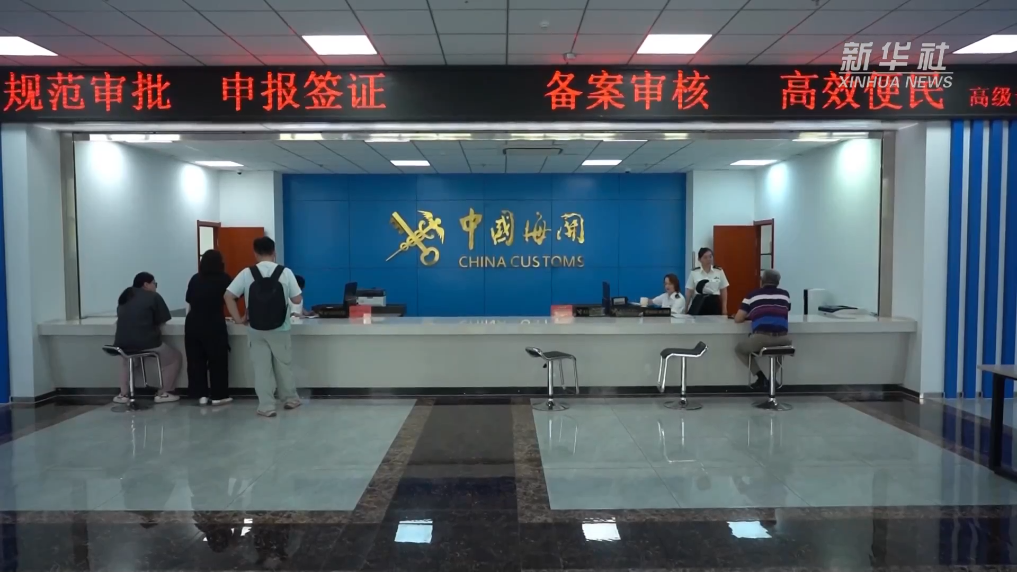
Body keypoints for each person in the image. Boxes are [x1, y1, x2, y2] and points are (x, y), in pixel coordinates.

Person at [225, 237, 303, 417]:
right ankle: (290, 399)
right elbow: (297, 299)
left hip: (256, 329)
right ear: (274, 252)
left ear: (255, 253)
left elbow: (228, 295)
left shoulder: (247, 273)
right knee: (284, 365)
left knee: (261, 368)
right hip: (281, 328)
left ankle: (266, 406)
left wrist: (239, 319)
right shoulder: (285, 272)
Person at [112, 272, 181, 404]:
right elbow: (163, 319)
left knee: (127, 361)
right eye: (154, 283)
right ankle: (164, 393)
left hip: (121, 344)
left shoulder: (125, 296)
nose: (155, 286)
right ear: (146, 284)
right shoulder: (153, 297)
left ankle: (123, 394)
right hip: (146, 342)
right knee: (174, 358)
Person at [185, 250, 233, 406]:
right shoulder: (224, 279)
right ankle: (219, 395)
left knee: (195, 360)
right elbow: (232, 298)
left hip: (193, 323)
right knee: (217, 360)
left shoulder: (195, 278)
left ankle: (200, 395)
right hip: (214, 322)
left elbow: (189, 300)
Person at [734, 269, 792, 390]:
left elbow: (738, 318)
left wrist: (753, 314)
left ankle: (761, 378)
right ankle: (772, 378)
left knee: (739, 349)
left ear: (762, 281)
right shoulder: (785, 295)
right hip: (784, 339)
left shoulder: (752, 295)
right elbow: (784, 309)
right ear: (778, 282)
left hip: (762, 338)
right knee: (780, 349)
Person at [685, 247, 729, 315]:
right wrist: (686, 307)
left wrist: (724, 307)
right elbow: (689, 291)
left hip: (714, 302)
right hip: (699, 303)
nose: (708, 259)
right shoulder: (694, 272)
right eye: (705, 257)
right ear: (699, 259)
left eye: (710, 257)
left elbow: (723, 290)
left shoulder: (719, 271)